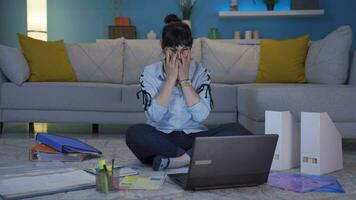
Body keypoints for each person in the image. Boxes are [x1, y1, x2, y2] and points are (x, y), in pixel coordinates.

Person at [126, 14, 251, 171]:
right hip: (160, 135)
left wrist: (185, 81)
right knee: (134, 134)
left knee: (238, 131)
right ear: (162, 47)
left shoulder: (201, 72)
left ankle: (178, 160)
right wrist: (170, 80)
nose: (179, 56)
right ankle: (192, 157)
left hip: (194, 137)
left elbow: (201, 116)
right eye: (172, 50)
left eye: (185, 50)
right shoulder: (149, 72)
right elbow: (154, 116)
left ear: (191, 49)